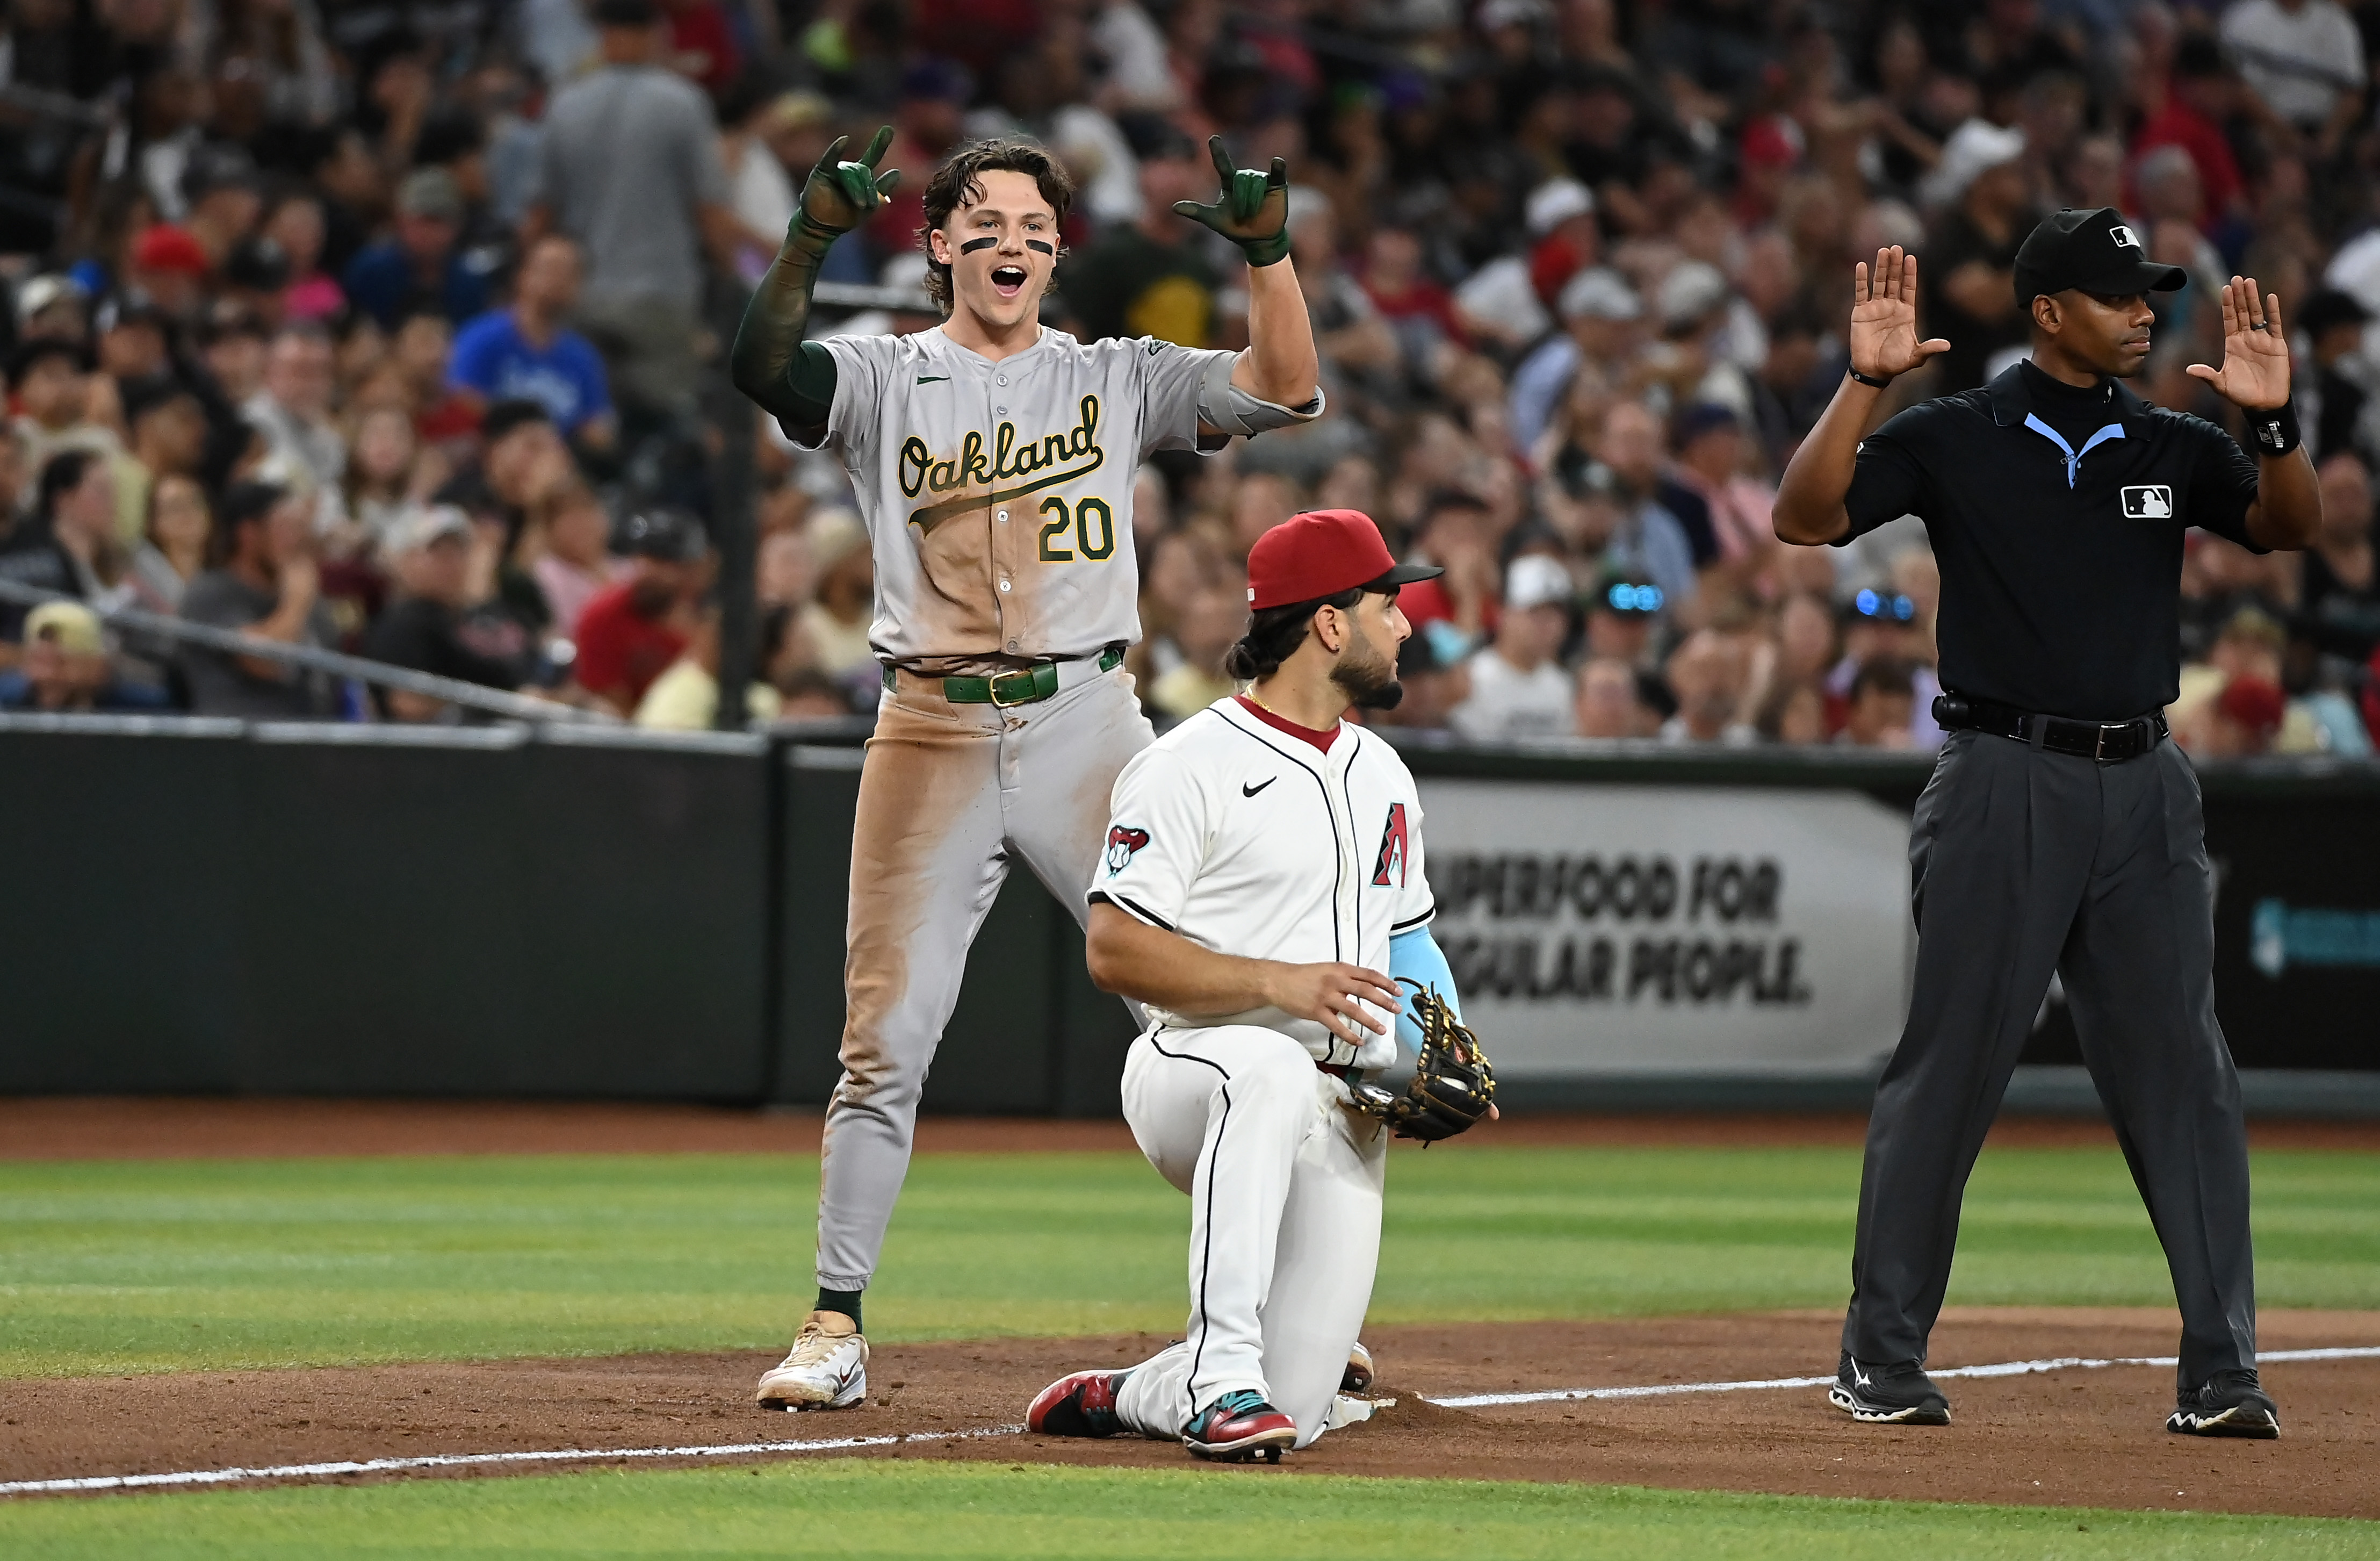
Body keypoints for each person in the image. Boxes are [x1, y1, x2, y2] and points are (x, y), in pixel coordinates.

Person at [729, 127, 1323, 1411]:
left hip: (1088, 725)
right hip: (929, 728)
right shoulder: (885, 376)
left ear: (1059, 252)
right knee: (881, 1045)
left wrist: (1268, 255)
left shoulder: (1111, 375)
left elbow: (1280, 386)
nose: (1011, 242)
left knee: (1204, 1011)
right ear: (936, 242)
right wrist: (808, 238)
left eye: (1034, 227)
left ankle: (1280, 1310)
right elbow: (763, 368)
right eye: (983, 222)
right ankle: (833, 1325)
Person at [1771, 214, 2321, 1438]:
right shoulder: (1953, 435)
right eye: (2115, 295)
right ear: (2045, 310)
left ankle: (2220, 1368)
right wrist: (1860, 387)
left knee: (2184, 1070)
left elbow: (2285, 527)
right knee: (1953, 1061)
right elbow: (1802, 518)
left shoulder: (2166, 441)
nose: (2141, 313)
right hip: (1998, 772)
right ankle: (1878, 1355)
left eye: (2144, 295)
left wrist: (2270, 427)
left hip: (2144, 785)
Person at [1023, 507, 1455, 1461]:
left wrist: (1443, 1033)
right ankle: (1219, 1377)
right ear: (1330, 625)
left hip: (1341, 1107)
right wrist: (1280, 983)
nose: (1407, 625)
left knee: (1296, 1412)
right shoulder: (1186, 766)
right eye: (1389, 604)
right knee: (1265, 1067)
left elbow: (1411, 938)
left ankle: (1140, 1392)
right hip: (1196, 1073)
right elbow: (1114, 951)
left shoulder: (1383, 772)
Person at [524, 0, 744, 418]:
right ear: (652, 37)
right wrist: (735, 275)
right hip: (661, 296)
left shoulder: (565, 104)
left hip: (582, 294)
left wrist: (531, 285)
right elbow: (710, 211)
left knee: (588, 420)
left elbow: (539, 215)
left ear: (603, 38)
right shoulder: (683, 102)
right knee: (667, 425)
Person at [179, 481, 340, 717]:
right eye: (287, 527)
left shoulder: (310, 604)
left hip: (310, 739)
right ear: (248, 534)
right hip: (240, 739)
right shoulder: (212, 593)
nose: (300, 539)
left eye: (302, 527)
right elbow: (265, 663)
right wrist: (295, 605)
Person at [360, 506, 538, 720]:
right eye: (437, 553)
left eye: (458, 553)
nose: (450, 564)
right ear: (405, 561)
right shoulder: (404, 623)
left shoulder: (461, 618)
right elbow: (408, 703)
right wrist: (501, 704)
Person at [446, 235, 617, 445]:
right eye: (551, 269)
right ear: (523, 275)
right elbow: (458, 402)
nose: (559, 280)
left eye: (571, 273)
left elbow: (600, 427)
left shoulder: (583, 358)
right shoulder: (481, 338)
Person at [571, 508, 705, 713]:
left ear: (691, 570)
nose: (647, 570)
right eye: (643, 557)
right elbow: (611, 702)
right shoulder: (605, 615)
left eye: (662, 562)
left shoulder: (708, 619)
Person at [1449, 554, 1575, 743]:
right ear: (1503, 613)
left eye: (1556, 614)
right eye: (1536, 613)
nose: (1548, 625)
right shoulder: (1474, 679)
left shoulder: (1562, 686)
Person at [0, 599, 168, 711]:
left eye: (61, 663)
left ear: (98, 667)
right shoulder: (7, 707)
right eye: (38, 662)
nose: (47, 676)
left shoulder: (141, 713)